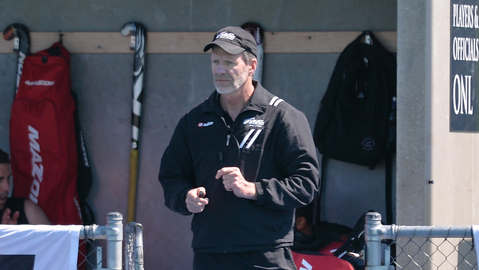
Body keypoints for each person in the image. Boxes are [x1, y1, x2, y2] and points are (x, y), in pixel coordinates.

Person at [158, 26, 320, 270]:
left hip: (265, 254)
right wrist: (184, 197)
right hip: (208, 254)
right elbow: (171, 177)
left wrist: (254, 189)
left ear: (251, 66)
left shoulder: (283, 117)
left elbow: (306, 184)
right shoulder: (193, 121)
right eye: (215, 62)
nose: (220, 70)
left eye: (229, 62)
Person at [0, 148, 51, 225]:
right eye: (0, 180)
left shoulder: (25, 210)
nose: (7, 188)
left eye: (8, 178)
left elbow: (53, 236)